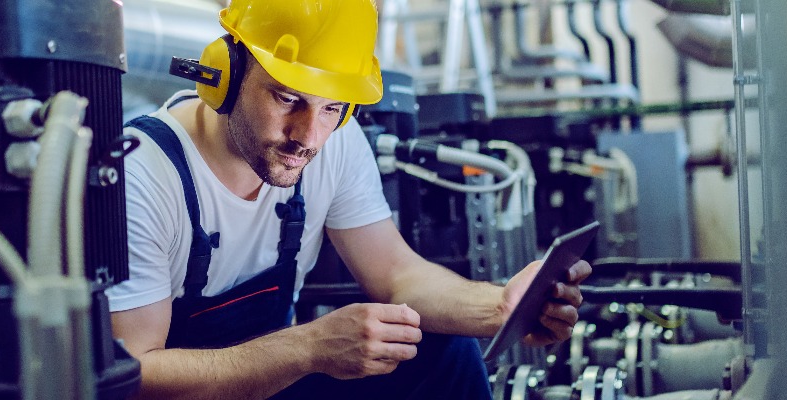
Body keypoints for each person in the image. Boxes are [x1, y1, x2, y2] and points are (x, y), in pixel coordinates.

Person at [107, 0, 592, 398]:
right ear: (225, 73)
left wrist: (501, 306)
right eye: (286, 97)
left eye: (332, 107)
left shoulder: (336, 141)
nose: (308, 136)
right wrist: (308, 348)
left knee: (442, 351)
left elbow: (398, 275)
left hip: (273, 386)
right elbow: (135, 377)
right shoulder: (144, 174)